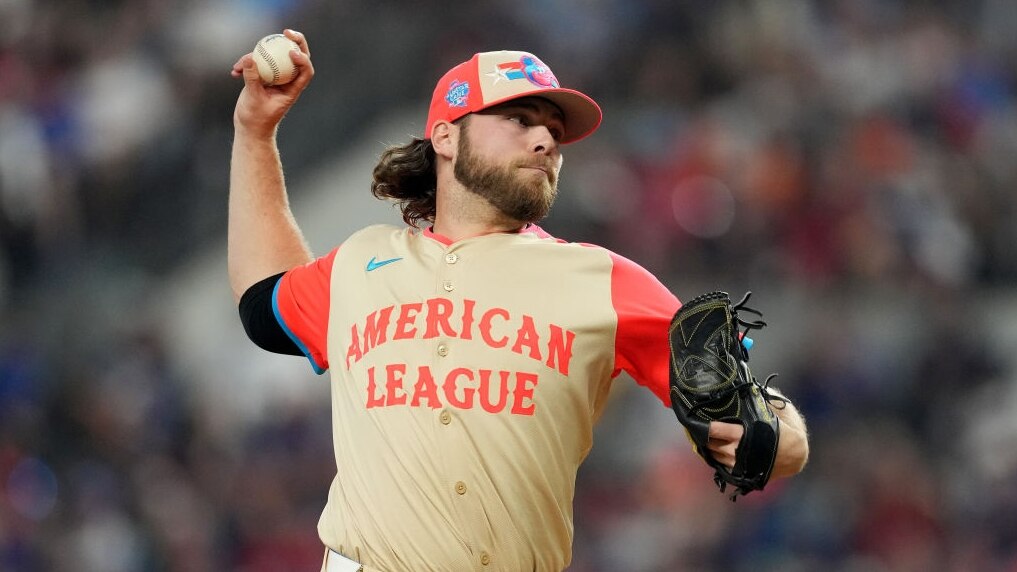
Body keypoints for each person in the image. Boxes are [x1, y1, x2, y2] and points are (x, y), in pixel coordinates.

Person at [229, 30, 809, 572]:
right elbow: (262, 304)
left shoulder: (601, 279)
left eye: (554, 132)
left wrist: (766, 434)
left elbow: (772, 437)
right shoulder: (363, 261)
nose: (545, 141)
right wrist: (255, 134)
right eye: (518, 118)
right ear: (445, 136)